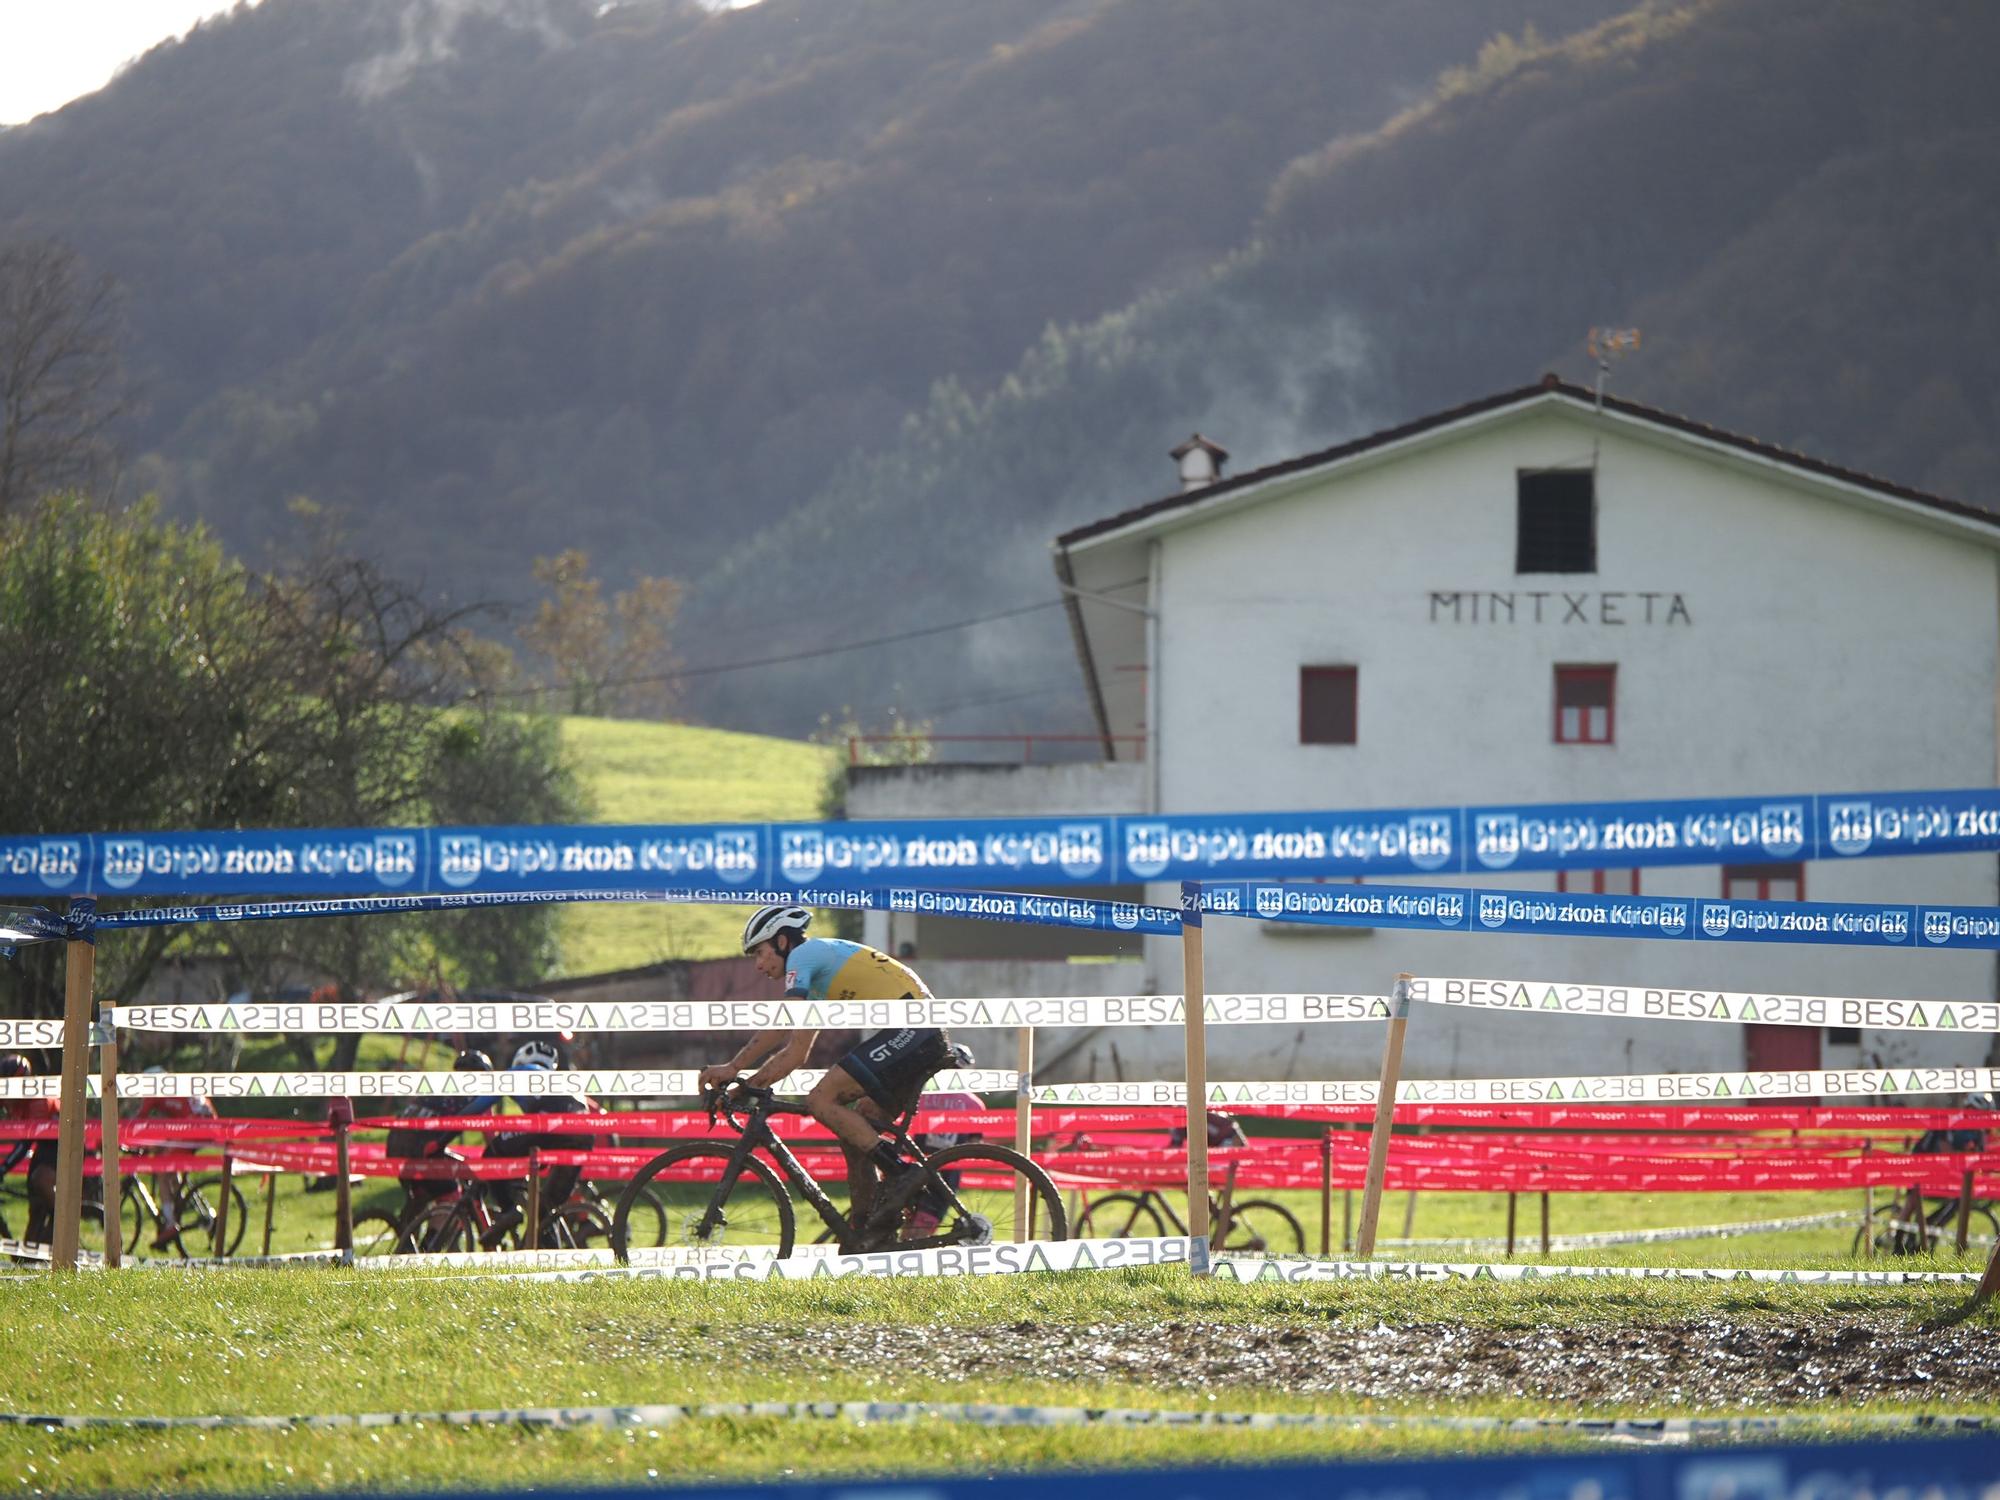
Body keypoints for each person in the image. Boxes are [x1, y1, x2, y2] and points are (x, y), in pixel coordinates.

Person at [700, 905, 952, 1233]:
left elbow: (784, 1022)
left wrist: (734, 1067)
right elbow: (795, 1053)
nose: (759, 965)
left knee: (820, 1099)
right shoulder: (817, 983)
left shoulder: (806, 954)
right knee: (855, 1130)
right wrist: (741, 1088)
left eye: (760, 953)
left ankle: (904, 1177)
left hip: (916, 1030)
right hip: (918, 1033)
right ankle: (866, 1231)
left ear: (781, 941)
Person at [482, 1039, 602, 1239]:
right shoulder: (561, 1081)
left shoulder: (522, 1071)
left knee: (491, 1153)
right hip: (583, 1136)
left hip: (550, 1128)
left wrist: (454, 1121)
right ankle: (549, 1254)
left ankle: (508, 1210)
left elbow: (483, 1102)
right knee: (544, 1210)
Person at [384, 1048, 497, 1217]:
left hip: (395, 1145)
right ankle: (431, 1243)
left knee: (423, 1196)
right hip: (422, 1149)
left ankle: (406, 1234)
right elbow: (491, 1141)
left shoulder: (439, 1087)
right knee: (450, 1197)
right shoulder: (480, 1097)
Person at [131, 1068, 217, 1250]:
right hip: (204, 1124)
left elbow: (139, 1120)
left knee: (162, 1168)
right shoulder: (172, 1082)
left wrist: (122, 1140)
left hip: (195, 1127)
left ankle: (170, 1223)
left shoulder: (153, 1090)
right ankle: (184, 1203)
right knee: (166, 1158)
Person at [904, 1042, 983, 1242]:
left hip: (914, 1163)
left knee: (906, 1218)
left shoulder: (922, 1094)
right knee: (926, 1224)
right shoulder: (974, 1104)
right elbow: (975, 1143)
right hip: (947, 1172)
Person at [0, 1054, 57, 1246]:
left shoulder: (37, 1099)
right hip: (43, 1144)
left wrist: (3, 1168)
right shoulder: (8, 1097)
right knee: (34, 1200)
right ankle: (33, 1248)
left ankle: (64, 1216)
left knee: (40, 1179)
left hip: (64, 1143)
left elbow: (25, 1143)